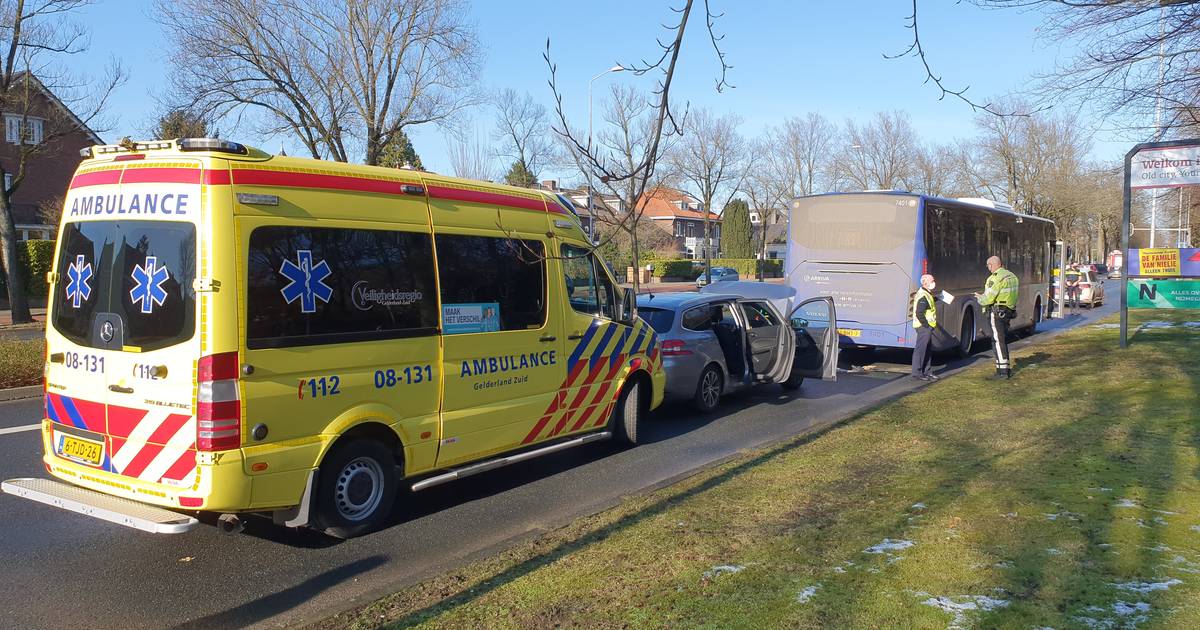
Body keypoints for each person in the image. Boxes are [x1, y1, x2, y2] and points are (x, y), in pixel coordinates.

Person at [974, 255, 1019, 380]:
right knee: (1002, 340)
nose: (988, 269)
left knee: (997, 341)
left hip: (997, 312)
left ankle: (1002, 372)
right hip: (1008, 311)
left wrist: (979, 298)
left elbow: (988, 299)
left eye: (988, 266)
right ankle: (1004, 368)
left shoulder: (994, 278)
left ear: (991, 265)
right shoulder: (1012, 276)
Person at [911, 274, 940, 381]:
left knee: (927, 350)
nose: (934, 282)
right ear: (925, 283)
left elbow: (928, 305)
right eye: (932, 281)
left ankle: (927, 371)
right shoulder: (923, 295)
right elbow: (919, 313)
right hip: (923, 327)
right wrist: (926, 325)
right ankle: (917, 373)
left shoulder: (927, 293)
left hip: (927, 327)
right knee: (921, 350)